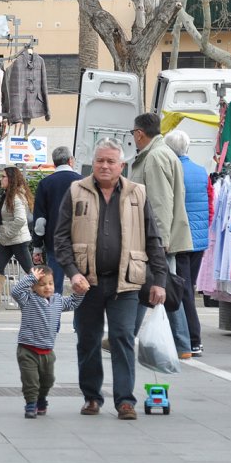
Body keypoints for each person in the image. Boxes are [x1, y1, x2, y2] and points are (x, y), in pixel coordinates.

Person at [54, 137, 168, 421]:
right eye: (99, 161)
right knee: (88, 339)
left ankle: (125, 401)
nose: (104, 166)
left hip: (126, 282)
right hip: (87, 283)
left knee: (122, 338)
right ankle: (92, 397)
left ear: (122, 166)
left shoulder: (137, 193)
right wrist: (73, 272)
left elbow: (153, 239)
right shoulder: (75, 191)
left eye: (110, 162)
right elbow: (61, 238)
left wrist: (159, 280)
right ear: (92, 163)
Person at [129, 113, 193, 360]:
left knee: (161, 287)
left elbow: (159, 203)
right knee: (152, 286)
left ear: (139, 133)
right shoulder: (163, 153)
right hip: (160, 236)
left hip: (157, 238)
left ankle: (180, 341)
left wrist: (160, 241)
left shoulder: (154, 157)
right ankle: (127, 335)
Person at [10, 266, 84, 419]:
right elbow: (15, 291)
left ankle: (41, 399)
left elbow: (72, 303)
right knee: (31, 380)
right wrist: (31, 278)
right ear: (33, 286)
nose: (47, 287)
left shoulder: (57, 300)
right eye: (42, 284)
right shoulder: (28, 300)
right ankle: (31, 404)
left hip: (48, 351)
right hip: (27, 349)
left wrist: (80, 292)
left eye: (50, 283)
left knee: (48, 379)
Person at [165, 129, 210, 357]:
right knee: (187, 289)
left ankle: (193, 340)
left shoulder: (173, 170)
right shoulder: (201, 171)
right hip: (200, 240)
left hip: (182, 240)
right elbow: (208, 205)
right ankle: (188, 339)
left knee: (183, 292)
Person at [0, 166, 34, 311]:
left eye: (4, 177)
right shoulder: (8, 195)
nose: (1, 179)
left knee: (30, 270)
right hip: (8, 239)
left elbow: (21, 219)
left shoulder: (16, 197)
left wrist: (8, 233)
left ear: (11, 179)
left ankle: (43, 298)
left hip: (18, 239)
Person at [32, 147, 82, 294]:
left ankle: (54, 315)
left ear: (54, 164)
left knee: (53, 285)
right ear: (70, 160)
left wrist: (37, 246)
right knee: (82, 285)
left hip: (54, 241)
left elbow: (40, 221)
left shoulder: (45, 184)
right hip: (80, 240)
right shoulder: (82, 182)